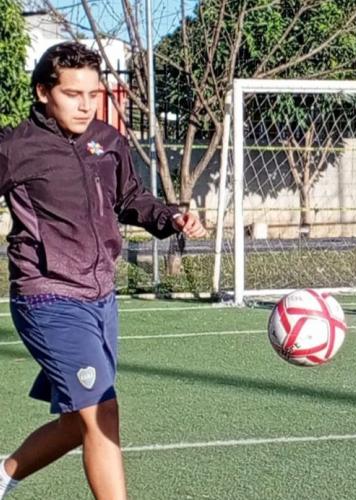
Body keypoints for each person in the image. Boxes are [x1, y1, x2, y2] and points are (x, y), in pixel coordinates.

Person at [0, 42, 206, 500]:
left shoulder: (107, 141)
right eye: (73, 94)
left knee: (78, 422)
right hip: (46, 295)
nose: (86, 104)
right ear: (42, 92)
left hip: (100, 297)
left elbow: (130, 199)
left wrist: (169, 216)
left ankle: (4, 473)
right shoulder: (16, 147)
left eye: (94, 94)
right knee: (102, 412)